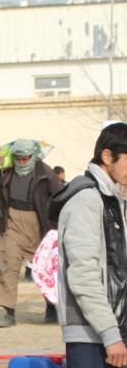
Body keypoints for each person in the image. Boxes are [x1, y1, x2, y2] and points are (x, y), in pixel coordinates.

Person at [49, 122, 127, 368]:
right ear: (107, 156)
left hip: (113, 328)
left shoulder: (112, 199)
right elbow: (83, 274)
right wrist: (110, 334)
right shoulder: (86, 199)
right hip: (91, 335)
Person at [0, 138, 62, 327]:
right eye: (18, 158)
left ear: (33, 156)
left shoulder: (45, 173)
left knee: (45, 268)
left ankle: (51, 306)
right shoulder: (7, 171)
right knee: (8, 265)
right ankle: (9, 312)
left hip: (39, 226)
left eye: (25, 158)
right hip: (13, 224)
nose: (22, 162)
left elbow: (59, 196)